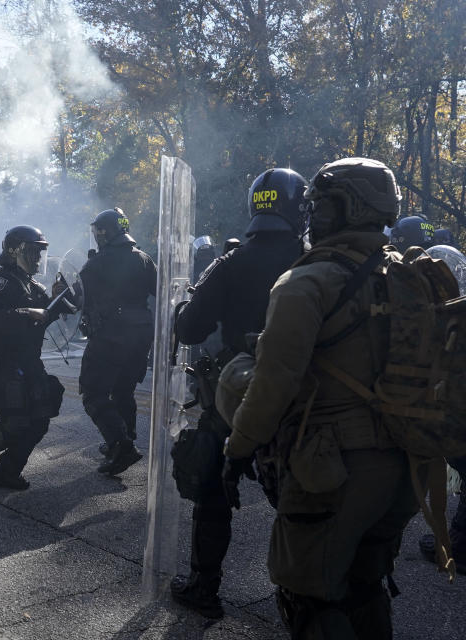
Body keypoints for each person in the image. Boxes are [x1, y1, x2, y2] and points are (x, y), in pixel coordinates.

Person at [224, 157, 415, 638]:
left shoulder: (307, 281)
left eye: (323, 205)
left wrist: (238, 448)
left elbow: (274, 383)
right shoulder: (411, 276)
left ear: (347, 208)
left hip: (335, 470)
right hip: (407, 465)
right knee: (365, 585)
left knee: (309, 596)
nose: (313, 217)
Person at [169, 167, 308, 618]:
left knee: (210, 488)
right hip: (300, 398)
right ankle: (305, 601)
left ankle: (203, 587)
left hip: (235, 395)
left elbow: (189, 327)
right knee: (302, 499)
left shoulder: (233, 260)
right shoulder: (314, 259)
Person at [0, 226, 71, 490]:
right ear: (14, 251)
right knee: (15, 422)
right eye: (33, 252)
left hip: (30, 362)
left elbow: (44, 318)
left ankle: (7, 471)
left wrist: (57, 300)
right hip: (7, 362)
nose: (38, 259)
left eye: (40, 252)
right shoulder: (2, 281)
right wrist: (25, 312)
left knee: (40, 418)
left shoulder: (34, 285)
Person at [78, 208, 156, 474]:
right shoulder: (144, 258)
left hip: (112, 334)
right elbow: (161, 291)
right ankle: (125, 440)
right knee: (123, 391)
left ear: (106, 232)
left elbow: (77, 297)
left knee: (93, 392)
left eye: (97, 232)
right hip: (141, 333)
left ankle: (120, 444)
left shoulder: (99, 262)